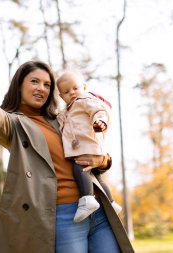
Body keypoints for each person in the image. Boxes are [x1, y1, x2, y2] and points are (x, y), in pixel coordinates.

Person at [0, 45, 134, 253]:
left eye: (47, 84)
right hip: (64, 216)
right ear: (19, 86)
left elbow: (92, 145)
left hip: (98, 208)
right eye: (34, 82)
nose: (42, 88)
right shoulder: (14, 124)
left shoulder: (61, 119)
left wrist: (103, 161)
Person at [56, 71, 122, 223]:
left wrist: (101, 122)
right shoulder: (68, 110)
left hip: (87, 145)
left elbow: (99, 111)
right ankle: (111, 203)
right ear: (61, 96)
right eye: (66, 92)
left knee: (79, 168)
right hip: (85, 146)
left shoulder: (85, 100)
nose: (72, 93)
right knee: (96, 177)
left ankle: (86, 199)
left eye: (75, 88)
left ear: (84, 87)